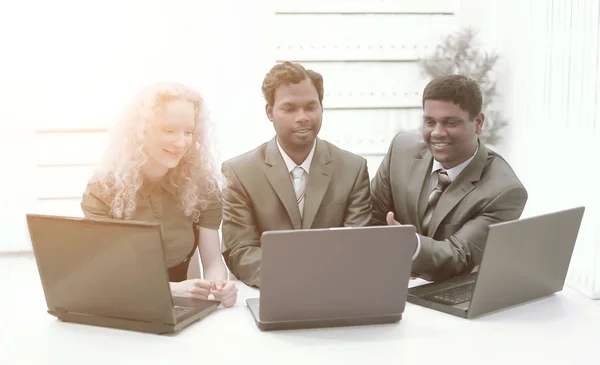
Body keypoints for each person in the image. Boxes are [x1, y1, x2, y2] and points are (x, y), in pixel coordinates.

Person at [81, 82, 237, 307]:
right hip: (122, 302)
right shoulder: (103, 189)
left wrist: (219, 287)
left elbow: (212, 262)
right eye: (169, 130)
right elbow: (109, 274)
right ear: (141, 131)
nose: (181, 142)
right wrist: (172, 290)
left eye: (188, 132)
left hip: (182, 306)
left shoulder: (203, 185)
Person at [221, 62, 372, 287]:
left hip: (335, 289)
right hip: (271, 291)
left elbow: (355, 245)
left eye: (311, 107)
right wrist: (292, 280)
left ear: (322, 107)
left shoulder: (352, 169)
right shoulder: (240, 172)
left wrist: (320, 281)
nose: (302, 117)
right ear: (269, 111)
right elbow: (240, 250)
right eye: (289, 109)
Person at [370, 75, 528, 282]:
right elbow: (370, 216)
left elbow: (459, 256)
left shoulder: (504, 191)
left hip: (449, 298)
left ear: (478, 123)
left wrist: (411, 245)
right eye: (429, 122)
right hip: (388, 282)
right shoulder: (401, 150)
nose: (437, 133)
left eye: (450, 122)